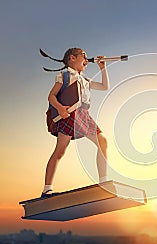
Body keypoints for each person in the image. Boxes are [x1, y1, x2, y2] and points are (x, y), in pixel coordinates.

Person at [42, 48, 109, 197]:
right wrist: (60, 108)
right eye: (84, 56)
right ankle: (47, 189)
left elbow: (104, 87)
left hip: (83, 115)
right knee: (60, 151)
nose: (87, 59)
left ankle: (104, 182)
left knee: (102, 141)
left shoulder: (85, 79)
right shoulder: (64, 76)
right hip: (69, 115)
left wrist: (103, 69)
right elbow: (51, 96)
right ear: (72, 58)